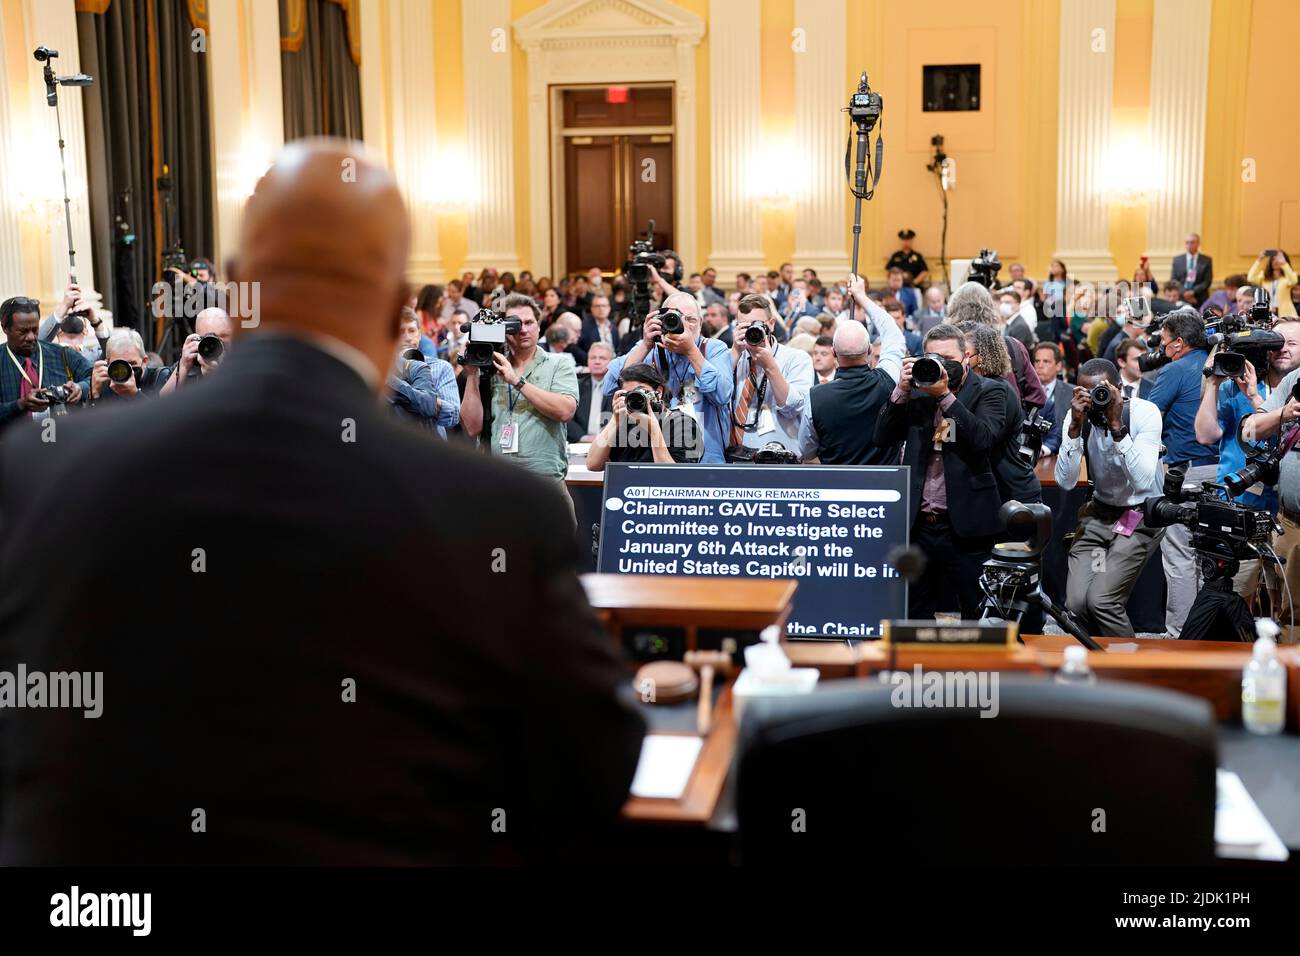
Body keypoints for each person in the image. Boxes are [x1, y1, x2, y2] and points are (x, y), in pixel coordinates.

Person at [0, 138, 643, 865]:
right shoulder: (494, 514)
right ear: (398, 308)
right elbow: (596, 769)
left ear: (237, 290)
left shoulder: (40, 468)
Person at [873, 324, 1006, 620]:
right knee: (915, 610)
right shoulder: (918, 393)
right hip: (919, 524)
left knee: (977, 608)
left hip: (966, 523)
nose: (940, 365)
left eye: (947, 358)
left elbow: (983, 438)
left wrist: (945, 395)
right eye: (934, 358)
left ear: (967, 357)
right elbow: (881, 437)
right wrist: (901, 390)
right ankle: (916, 666)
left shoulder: (990, 390)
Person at [1056, 358, 1165, 637]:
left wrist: (1117, 426)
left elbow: (1142, 482)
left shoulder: (1144, 413)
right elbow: (1066, 482)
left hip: (1138, 516)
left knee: (1102, 601)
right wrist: (1074, 429)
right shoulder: (1078, 416)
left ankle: (1126, 669)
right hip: (1100, 517)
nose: (1094, 400)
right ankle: (1094, 663)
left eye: (1101, 391)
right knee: (1078, 602)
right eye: (1086, 393)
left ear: (1119, 388)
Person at [460, 292, 579, 499]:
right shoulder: (490, 367)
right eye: (515, 324)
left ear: (539, 327)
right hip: (496, 479)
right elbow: (472, 427)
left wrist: (517, 381)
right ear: (503, 330)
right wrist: (472, 374)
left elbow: (565, 410)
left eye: (529, 322)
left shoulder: (559, 363)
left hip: (544, 481)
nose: (523, 329)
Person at [1147, 308, 1217, 637]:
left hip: (1185, 474)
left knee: (1180, 555)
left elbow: (1149, 417)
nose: (1160, 350)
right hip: (1226, 472)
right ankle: (1210, 633)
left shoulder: (1175, 370)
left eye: (1163, 343)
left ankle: (1182, 637)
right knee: (1212, 555)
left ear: (1178, 343)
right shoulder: (1222, 363)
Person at [602, 292, 733, 464]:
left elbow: (722, 395)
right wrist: (645, 344)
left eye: (691, 319)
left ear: (700, 323)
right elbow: (610, 387)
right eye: (676, 317)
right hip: (659, 455)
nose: (684, 325)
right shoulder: (649, 348)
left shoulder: (714, 349)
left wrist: (691, 350)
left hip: (707, 458)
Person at [799, 285, 905, 465]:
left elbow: (807, 450)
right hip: (886, 485)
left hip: (837, 486)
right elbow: (892, 332)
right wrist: (862, 297)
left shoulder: (815, 397)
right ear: (870, 350)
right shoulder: (889, 380)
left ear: (833, 353)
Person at [585, 362, 702, 470]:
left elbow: (677, 478)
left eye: (641, 392)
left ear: (659, 392)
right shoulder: (623, 422)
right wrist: (615, 420)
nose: (635, 398)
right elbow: (593, 464)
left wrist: (654, 430)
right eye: (629, 394)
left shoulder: (683, 423)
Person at [0, 295, 91, 429]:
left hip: (62, 441)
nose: (31, 337)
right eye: (23, 331)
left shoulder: (62, 354)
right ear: (5, 328)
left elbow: (93, 376)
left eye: (35, 330)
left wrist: (80, 388)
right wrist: (19, 405)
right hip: (12, 445)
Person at [391, 307, 460, 437]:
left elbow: (453, 416)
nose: (407, 337)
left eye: (412, 331)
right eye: (400, 331)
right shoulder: (384, 368)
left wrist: (426, 401)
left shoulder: (441, 367)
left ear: (419, 335)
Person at [86, 329, 172, 405]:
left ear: (145, 361)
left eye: (131, 364)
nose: (125, 370)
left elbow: (163, 418)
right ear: (107, 363)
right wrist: (94, 395)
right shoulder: (104, 382)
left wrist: (134, 394)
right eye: (118, 365)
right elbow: (92, 421)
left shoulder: (159, 378)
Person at [159, 306, 233, 395]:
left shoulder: (241, 360)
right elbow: (163, 402)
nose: (217, 344)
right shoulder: (191, 364)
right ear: (197, 339)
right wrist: (183, 367)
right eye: (209, 338)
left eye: (223, 336)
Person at [1033, 342, 1073, 457]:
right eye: (1037, 361)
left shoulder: (1072, 393)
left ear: (1058, 366)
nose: (1040, 366)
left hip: (1065, 455)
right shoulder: (1024, 392)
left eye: (1046, 361)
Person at [569, 341, 613, 442]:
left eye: (602, 358)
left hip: (610, 444)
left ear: (612, 362)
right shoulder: (576, 386)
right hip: (581, 443)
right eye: (593, 358)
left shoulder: (618, 387)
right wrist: (584, 438)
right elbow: (567, 417)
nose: (597, 361)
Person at [1247, 250, 1297, 318]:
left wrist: (1284, 264)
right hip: (1269, 313)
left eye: (1278, 259)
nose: (1275, 262)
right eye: (1273, 259)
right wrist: (1259, 260)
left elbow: (1294, 281)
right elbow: (1250, 278)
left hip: (1286, 314)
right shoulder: (1264, 277)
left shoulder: (1287, 278)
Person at [1172, 233, 1213, 307]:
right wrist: (1185, 292)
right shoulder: (1177, 260)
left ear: (1198, 244)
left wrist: (1193, 292)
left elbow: (1207, 281)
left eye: (1192, 242)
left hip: (1200, 298)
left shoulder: (1206, 260)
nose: (1189, 245)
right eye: (1187, 242)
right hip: (1181, 298)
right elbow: (1173, 280)